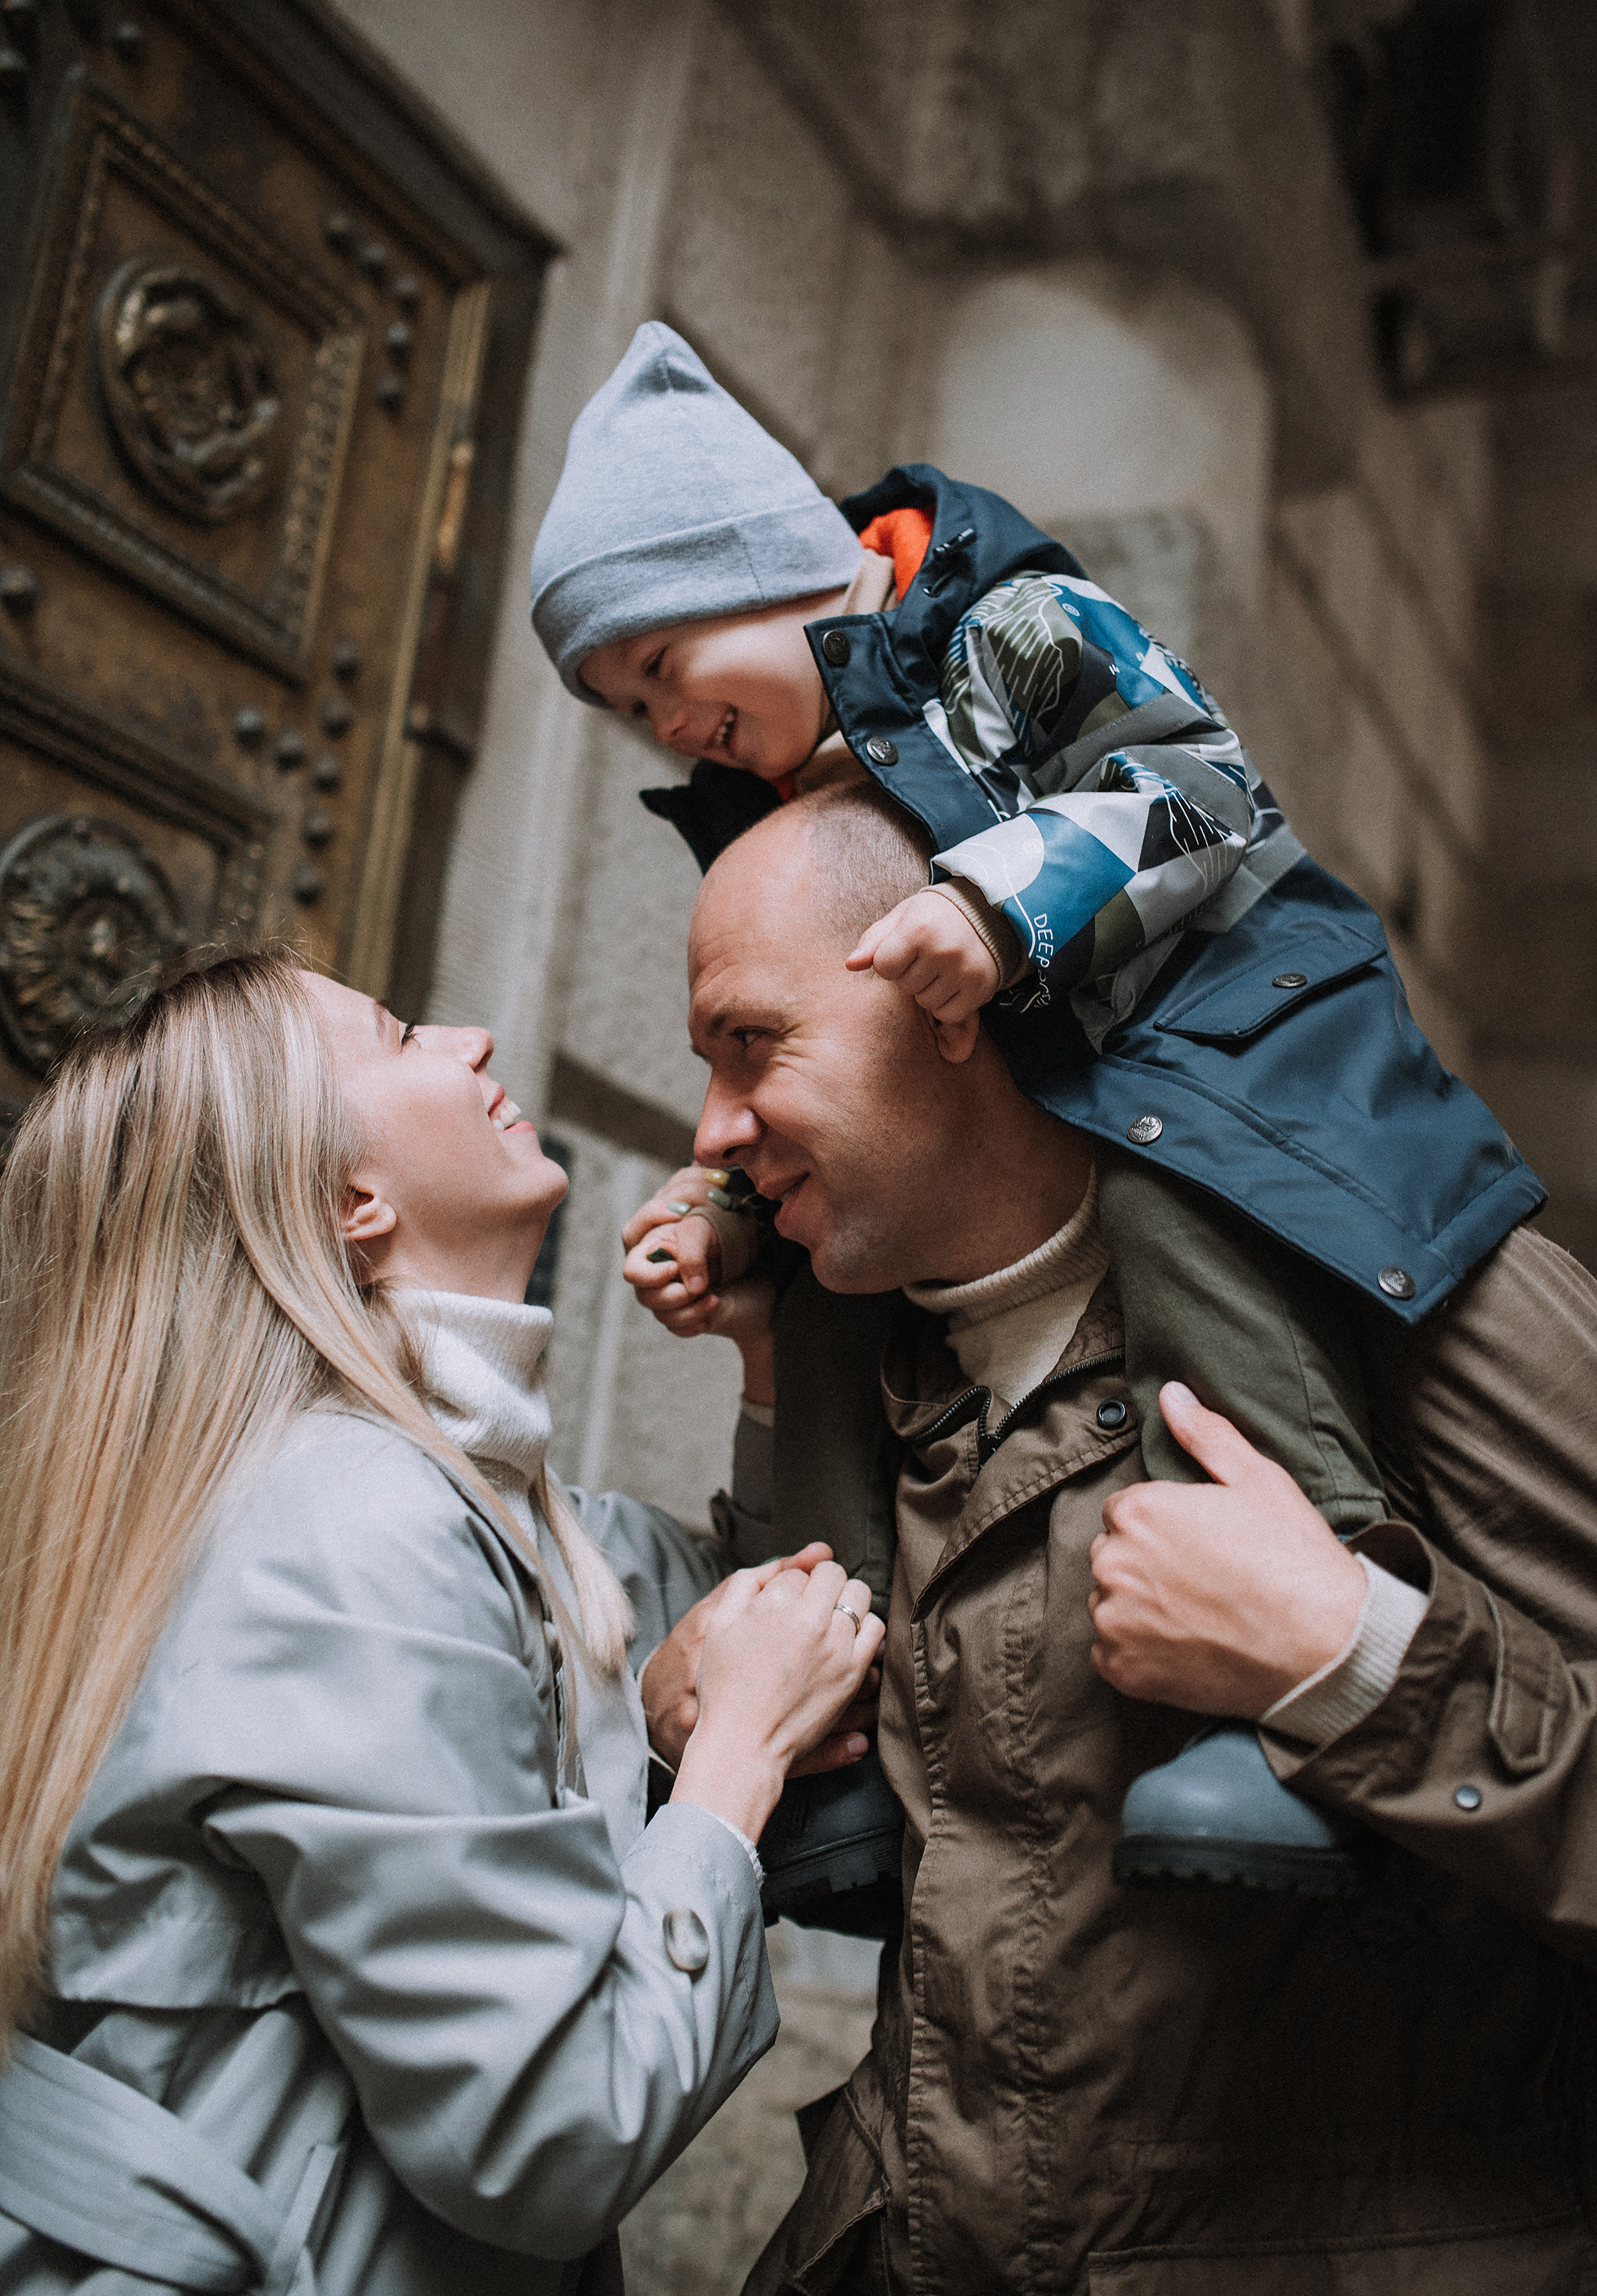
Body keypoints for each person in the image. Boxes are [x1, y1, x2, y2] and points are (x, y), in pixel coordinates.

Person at [528, 321, 1542, 1890]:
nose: (663, 726)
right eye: (625, 708)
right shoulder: (772, 788)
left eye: (662, 667)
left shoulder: (1004, 624)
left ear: (766, 567)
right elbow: (802, 1048)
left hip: (1210, 1043)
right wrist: (733, 1203)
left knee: (1189, 1236)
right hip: (1073, 1079)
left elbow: (1200, 782)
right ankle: (833, 1722)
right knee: (828, 1289)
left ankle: (1304, 1638)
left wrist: (1006, 904)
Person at [638, 783, 1597, 2294]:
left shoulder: (1414, 1299)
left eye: (751, 1043)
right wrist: (698, 1717)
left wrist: (1353, 1658)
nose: (712, 1130)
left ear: (951, 993)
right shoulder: (862, 1373)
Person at [0, 946, 883, 2296]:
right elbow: (552, 2133)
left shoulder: (455, 1500)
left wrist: (769, 1346)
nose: (469, 1040)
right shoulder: (352, 1533)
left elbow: (777, 1612)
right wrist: (733, 1762)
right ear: (352, 1202)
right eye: (401, 1034)